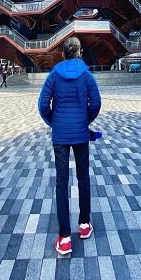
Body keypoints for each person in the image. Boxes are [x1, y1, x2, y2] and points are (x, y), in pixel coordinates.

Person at [38, 36, 101, 256]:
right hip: (81, 134)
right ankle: (84, 225)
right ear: (80, 52)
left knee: (62, 183)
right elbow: (97, 103)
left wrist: (55, 122)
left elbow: (43, 105)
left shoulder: (54, 75)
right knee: (83, 178)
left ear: (63, 54)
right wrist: (84, 120)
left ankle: (64, 237)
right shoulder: (86, 75)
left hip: (61, 136)